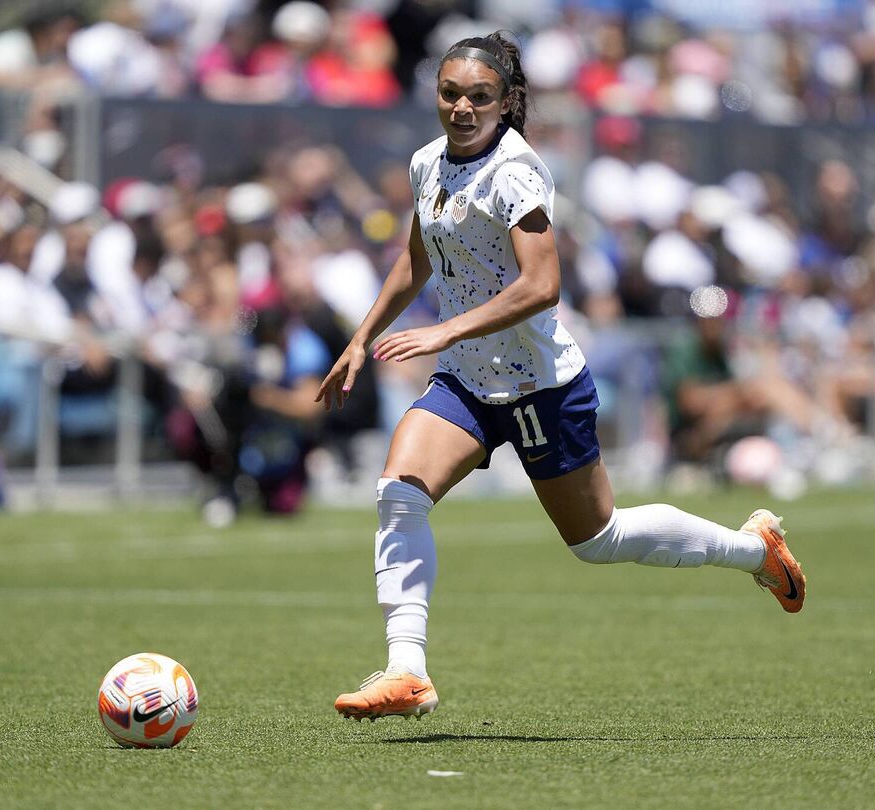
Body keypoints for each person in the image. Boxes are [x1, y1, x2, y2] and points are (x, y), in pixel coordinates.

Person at [315, 32, 808, 723]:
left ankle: (754, 550)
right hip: (464, 380)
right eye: (450, 93)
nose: (461, 107)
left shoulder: (516, 172)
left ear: (509, 102)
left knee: (596, 539)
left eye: (479, 96)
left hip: (537, 385)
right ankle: (407, 670)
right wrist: (362, 336)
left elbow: (543, 285)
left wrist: (442, 330)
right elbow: (417, 257)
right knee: (400, 491)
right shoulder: (427, 162)